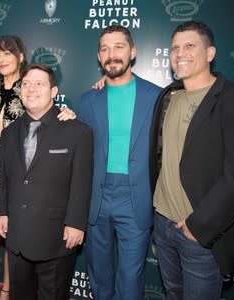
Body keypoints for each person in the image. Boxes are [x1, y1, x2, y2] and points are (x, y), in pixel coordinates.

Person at [149, 20, 234, 300]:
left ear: (210, 53)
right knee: (173, 294)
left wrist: (197, 227)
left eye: (190, 46)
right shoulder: (167, 97)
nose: (180, 53)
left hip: (199, 234)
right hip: (162, 225)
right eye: (175, 48)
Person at [0, 35, 76, 300]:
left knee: (15, 246)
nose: (1, 59)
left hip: (23, 176)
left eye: (7, 53)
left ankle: (7, 292)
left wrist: (65, 114)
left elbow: (46, 115)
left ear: (20, 57)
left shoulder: (32, 87)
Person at [0, 63, 93, 300]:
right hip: (16, 236)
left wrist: (76, 223)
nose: (31, 89)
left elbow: (82, 182)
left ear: (54, 91)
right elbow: (3, 178)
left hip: (56, 238)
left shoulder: (77, 131)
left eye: (39, 84)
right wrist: (1, 212)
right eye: (26, 84)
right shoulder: (9, 133)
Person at [77, 25, 161, 300]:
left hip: (135, 196)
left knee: (130, 276)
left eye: (119, 47)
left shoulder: (157, 96)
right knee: (98, 273)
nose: (111, 54)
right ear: (99, 57)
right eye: (105, 49)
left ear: (133, 52)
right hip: (96, 195)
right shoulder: (88, 100)